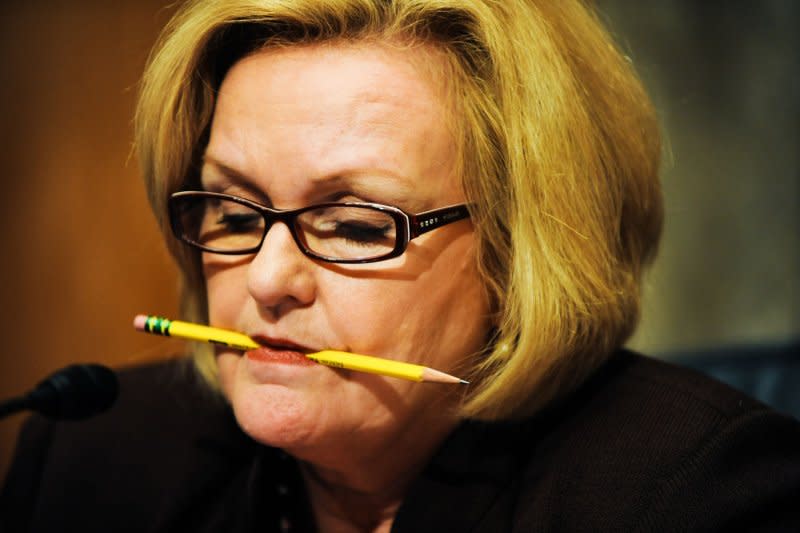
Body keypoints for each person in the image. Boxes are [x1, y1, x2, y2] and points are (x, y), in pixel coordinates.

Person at [2, 0, 799, 531]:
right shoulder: (91, 452)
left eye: (351, 224)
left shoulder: (691, 494)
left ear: (522, 251)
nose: (269, 279)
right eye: (236, 214)